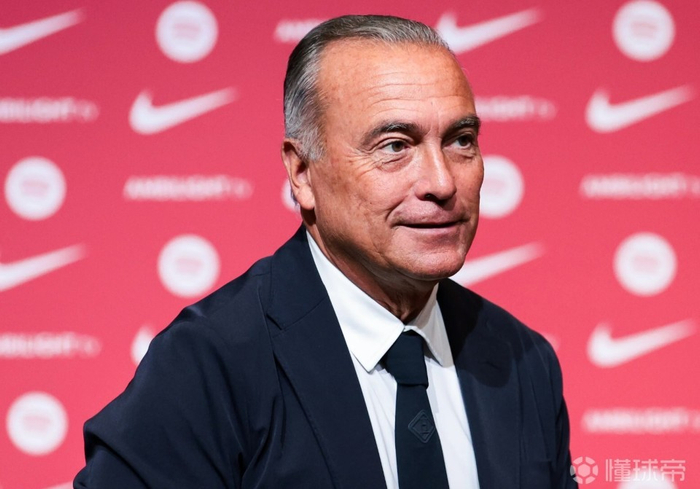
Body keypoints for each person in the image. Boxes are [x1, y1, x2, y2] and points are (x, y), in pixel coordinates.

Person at [75, 15, 576, 489]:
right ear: (302, 173)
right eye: (395, 146)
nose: (442, 183)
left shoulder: (523, 360)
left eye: (461, 140)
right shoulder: (206, 364)